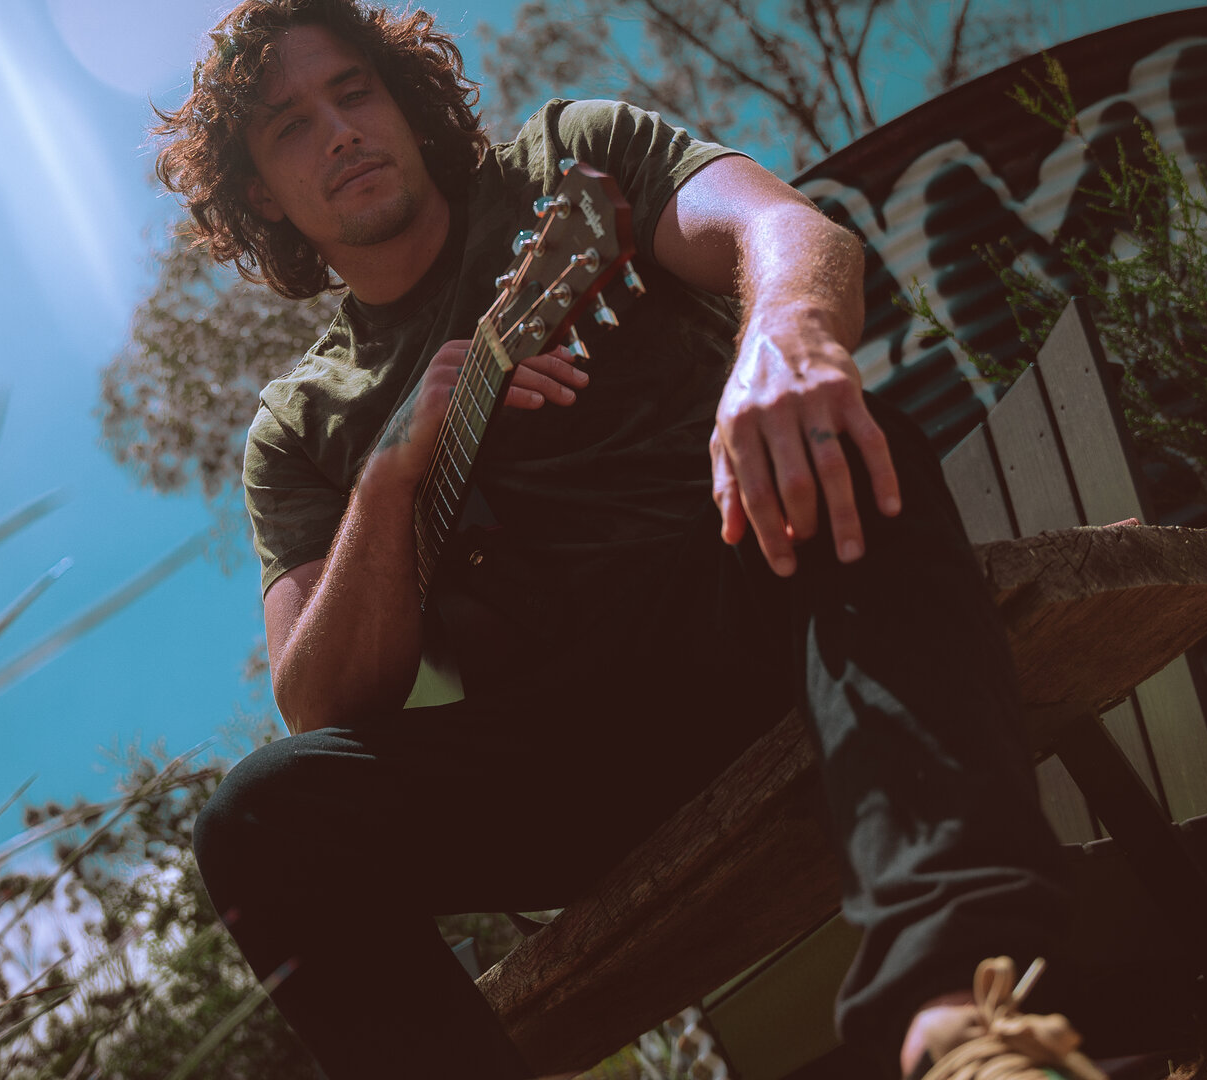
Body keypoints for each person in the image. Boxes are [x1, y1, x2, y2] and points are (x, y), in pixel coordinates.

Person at [157, 1, 1103, 1077]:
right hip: (559, 769)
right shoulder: (299, 427)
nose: (339, 133)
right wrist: (390, 478)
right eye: (291, 126)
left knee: (840, 438)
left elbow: (786, 231)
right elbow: (318, 699)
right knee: (256, 823)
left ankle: (964, 1013)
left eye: (353, 91)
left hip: (760, 610)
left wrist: (789, 339)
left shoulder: (569, 162)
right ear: (260, 194)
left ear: (402, 101)